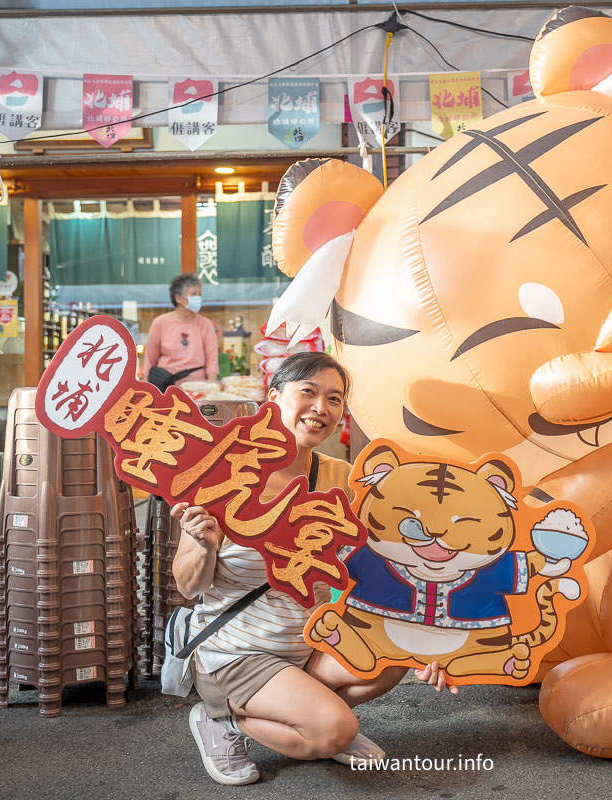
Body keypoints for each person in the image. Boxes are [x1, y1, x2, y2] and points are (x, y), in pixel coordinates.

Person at [171, 351, 454, 785]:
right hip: (239, 653)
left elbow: (381, 563)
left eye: (335, 398)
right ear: (274, 397)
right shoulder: (224, 476)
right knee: (334, 731)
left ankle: (315, 718)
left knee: (396, 656)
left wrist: (434, 642)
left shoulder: (341, 477)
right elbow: (189, 586)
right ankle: (224, 719)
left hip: (308, 641)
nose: (321, 408)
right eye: (308, 392)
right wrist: (206, 547)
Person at [143, 272, 219, 386]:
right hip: (166, 385)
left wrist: (212, 384)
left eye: (200, 294)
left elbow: (212, 360)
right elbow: (150, 358)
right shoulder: (160, 323)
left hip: (197, 386)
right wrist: (146, 384)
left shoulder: (205, 324)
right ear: (179, 298)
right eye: (194, 294)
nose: (198, 298)